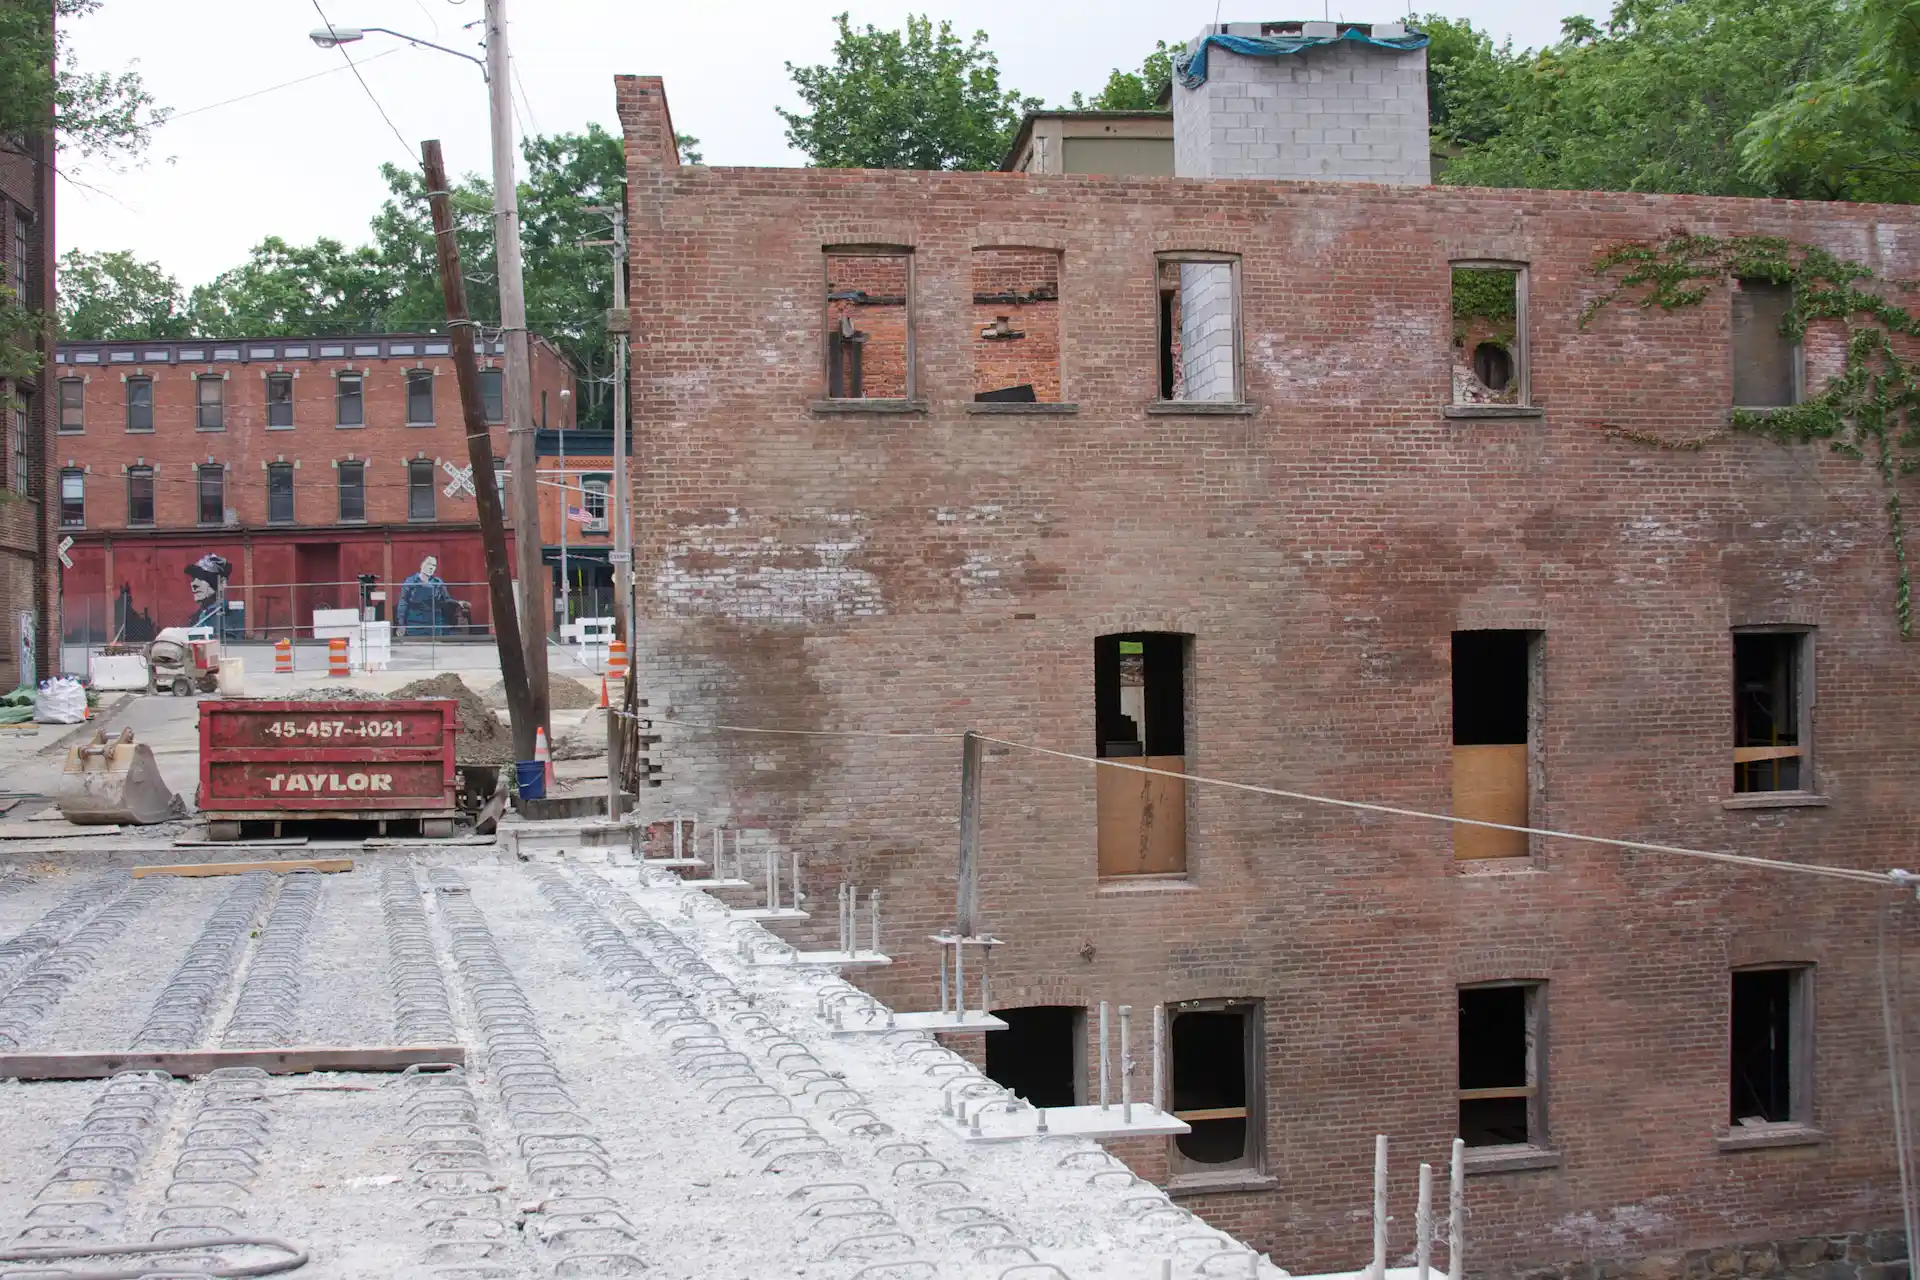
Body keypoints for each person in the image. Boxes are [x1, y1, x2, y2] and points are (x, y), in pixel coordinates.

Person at [398, 555, 457, 636]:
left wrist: (458, 603)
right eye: (429, 564)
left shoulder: (438, 582)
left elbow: (446, 601)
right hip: (415, 625)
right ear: (422, 564)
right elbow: (403, 603)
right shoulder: (410, 582)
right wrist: (401, 624)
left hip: (435, 625)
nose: (431, 567)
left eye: (434, 565)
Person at [184, 554, 231, 640]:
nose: (194, 584)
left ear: (221, 583)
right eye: (193, 578)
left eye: (202, 577)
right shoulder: (196, 617)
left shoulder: (232, 615)